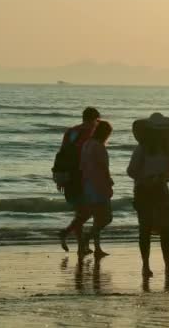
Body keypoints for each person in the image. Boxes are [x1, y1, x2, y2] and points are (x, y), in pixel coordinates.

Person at [127, 113, 169, 278]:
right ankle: (146, 266)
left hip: (160, 190)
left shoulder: (167, 150)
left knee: (165, 230)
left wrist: (161, 177)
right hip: (145, 190)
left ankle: (167, 266)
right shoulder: (142, 149)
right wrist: (147, 179)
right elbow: (131, 171)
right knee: (145, 229)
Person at [55, 107, 99, 254]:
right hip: (84, 175)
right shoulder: (92, 132)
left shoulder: (71, 131)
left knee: (80, 211)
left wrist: (60, 177)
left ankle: (81, 245)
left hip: (69, 176)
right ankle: (68, 233)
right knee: (89, 211)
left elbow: (61, 154)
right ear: (95, 119)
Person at [79, 120, 114, 259]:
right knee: (106, 218)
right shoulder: (99, 147)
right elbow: (104, 168)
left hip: (88, 185)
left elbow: (81, 165)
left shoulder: (87, 144)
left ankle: (97, 248)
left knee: (97, 218)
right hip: (99, 185)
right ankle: (86, 238)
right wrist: (109, 182)